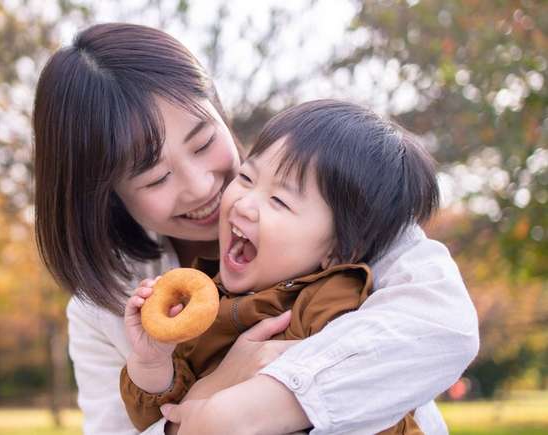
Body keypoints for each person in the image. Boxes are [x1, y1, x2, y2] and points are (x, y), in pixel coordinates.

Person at [32, 22, 479, 435]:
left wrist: (262, 400)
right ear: (107, 195)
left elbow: (442, 326)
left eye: (205, 142)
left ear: (220, 112)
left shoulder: (335, 198)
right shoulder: (107, 306)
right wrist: (214, 388)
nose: (202, 186)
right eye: (156, 178)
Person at [120, 99, 442, 434]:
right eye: (246, 177)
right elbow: (160, 419)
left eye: (279, 201)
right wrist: (152, 361)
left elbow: (360, 407)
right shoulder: (204, 298)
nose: (244, 203)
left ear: (338, 250)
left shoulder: (332, 309)